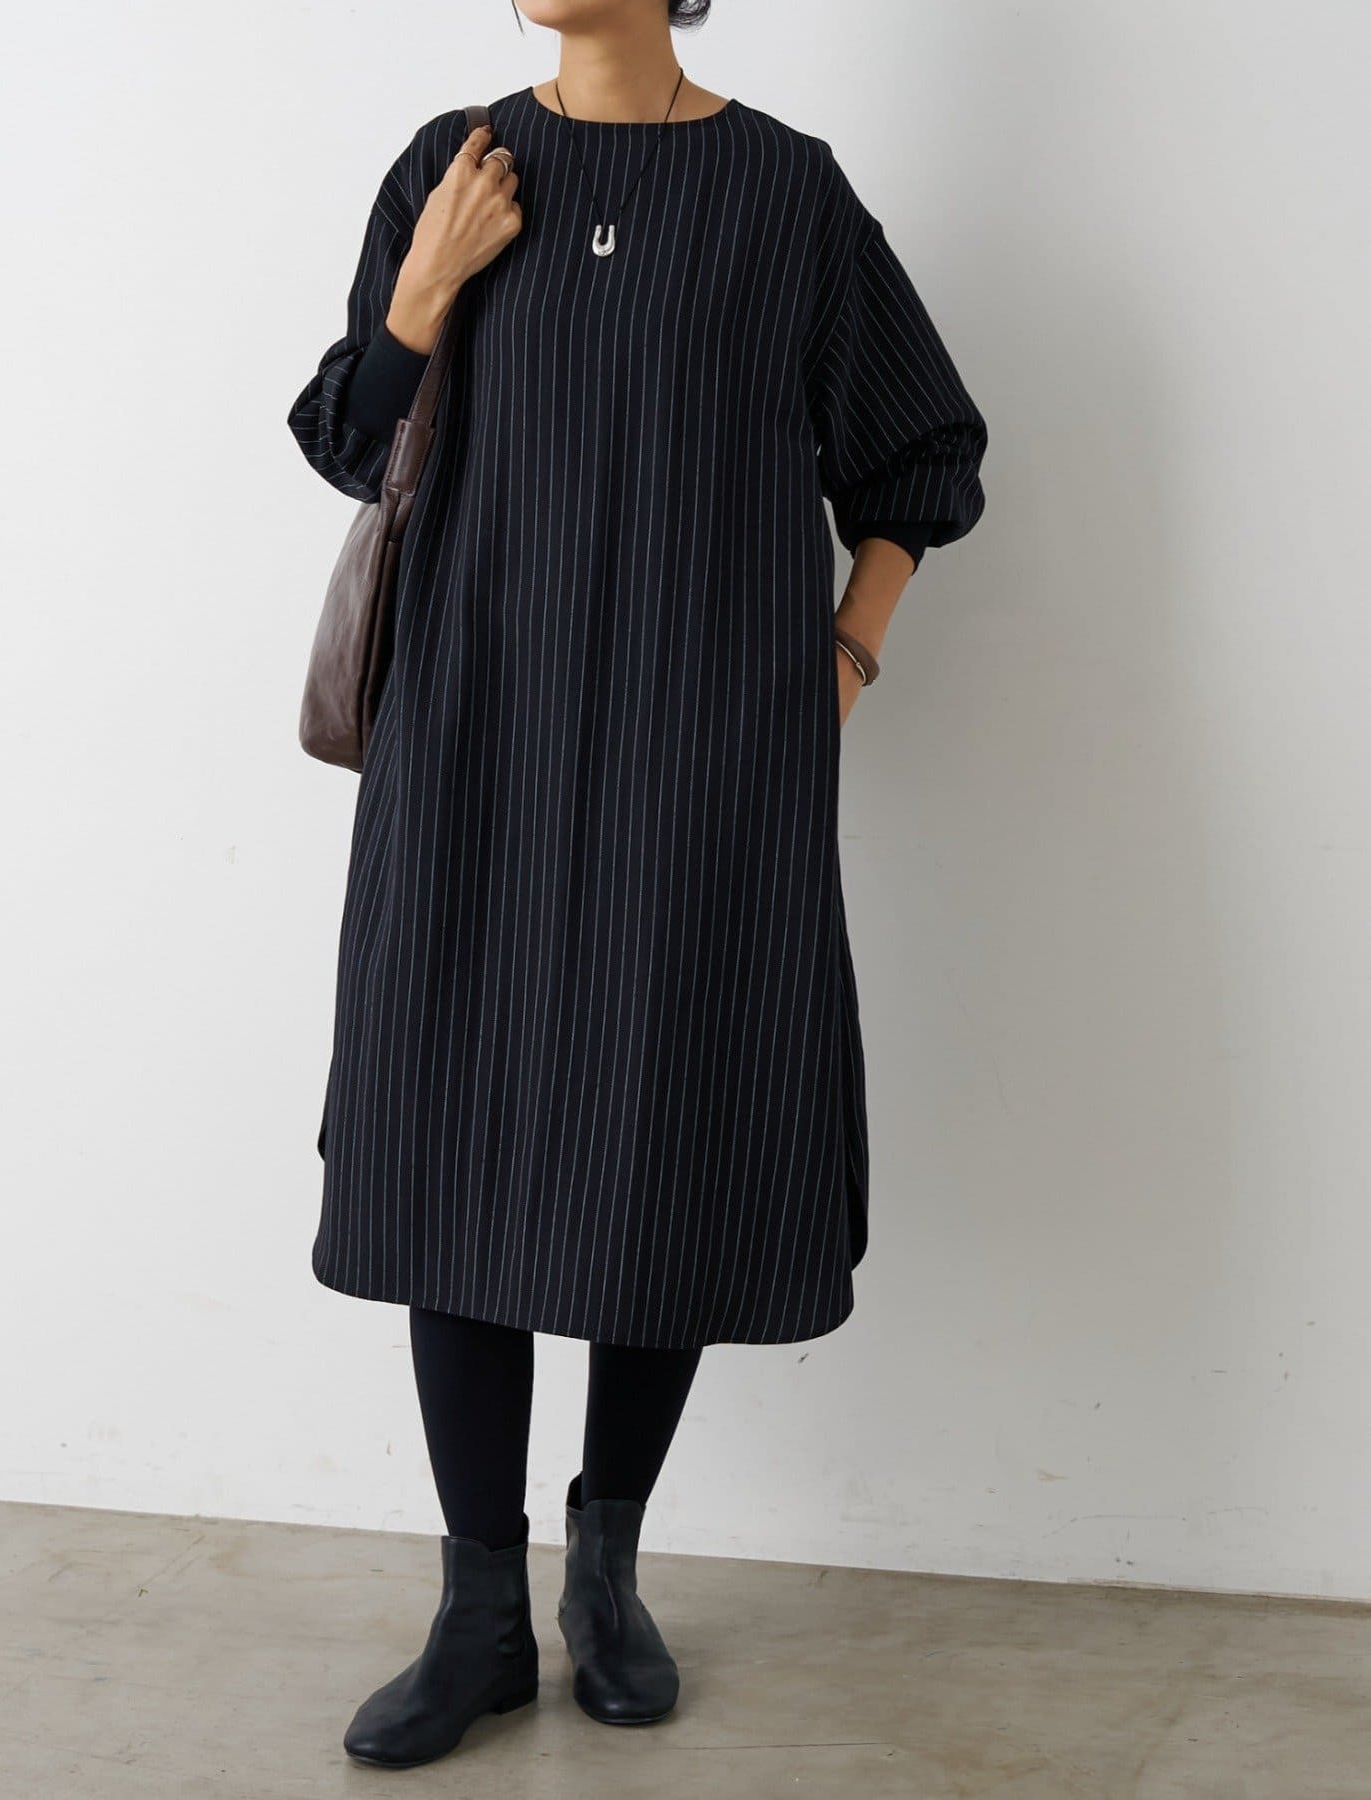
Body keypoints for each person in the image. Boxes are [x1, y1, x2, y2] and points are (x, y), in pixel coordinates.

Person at [287, 0, 987, 1769]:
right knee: (453, 1137)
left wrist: (841, 660)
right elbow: (348, 442)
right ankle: (478, 1612)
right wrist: (421, 290)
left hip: (707, 768)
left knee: (663, 1138)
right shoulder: (452, 166)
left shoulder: (783, 196)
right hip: (473, 742)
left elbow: (922, 456)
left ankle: (605, 1571)